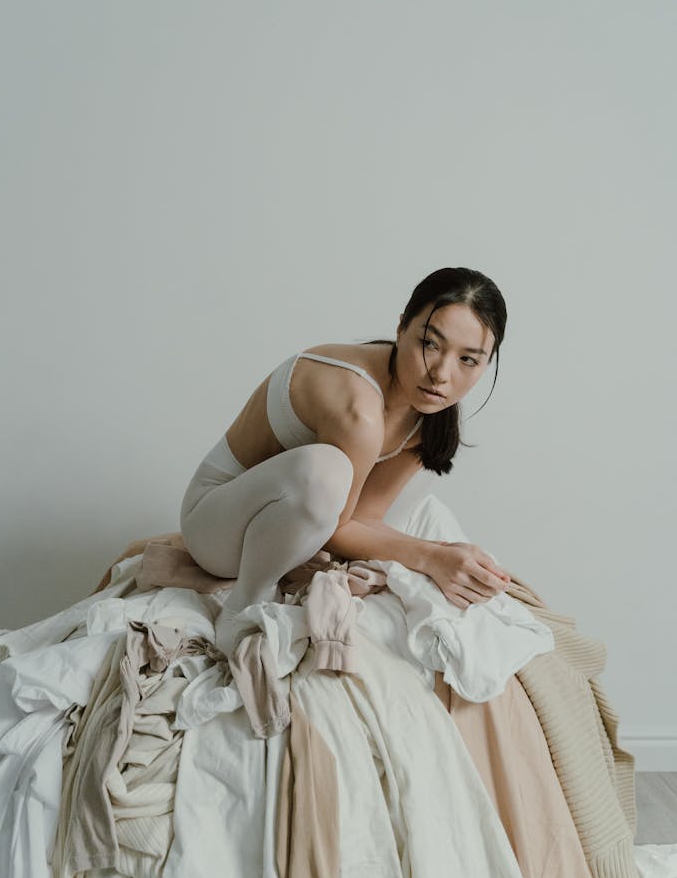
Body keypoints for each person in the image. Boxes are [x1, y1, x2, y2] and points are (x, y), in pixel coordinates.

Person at [180, 265, 514, 658]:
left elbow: (363, 517)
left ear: (487, 362)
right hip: (216, 530)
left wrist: (442, 554)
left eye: (468, 360)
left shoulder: (428, 414)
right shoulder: (359, 409)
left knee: (435, 528)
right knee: (328, 472)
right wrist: (430, 556)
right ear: (402, 327)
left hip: (286, 532)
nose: (442, 374)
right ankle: (243, 606)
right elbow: (337, 527)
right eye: (430, 343)